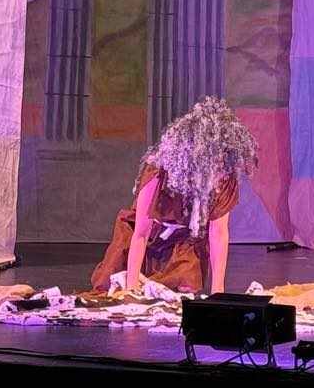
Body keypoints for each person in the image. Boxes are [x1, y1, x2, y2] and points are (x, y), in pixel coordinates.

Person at [90, 95, 258, 295]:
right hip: (147, 239)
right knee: (108, 284)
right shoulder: (157, 174)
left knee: (184, 285)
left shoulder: (224, 178)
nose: (218, 169)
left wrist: (218, 291)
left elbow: (218, 233)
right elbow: (141, 233)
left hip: (182, 241)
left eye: (223, 160)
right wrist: (131, 288)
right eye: (212, 161)